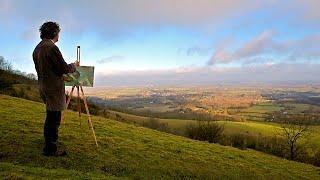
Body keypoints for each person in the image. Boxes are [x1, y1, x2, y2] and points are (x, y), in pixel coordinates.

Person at [32, 21, 79, 156]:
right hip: (52, 89)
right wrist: (74, 65)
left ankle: (51, 142)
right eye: (58, 32)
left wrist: (61, 76)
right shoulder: (51, 48)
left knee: (51, 116)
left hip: (43, 86)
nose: (59, 35)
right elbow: (63, 68)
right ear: (53, 33)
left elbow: (50, 70)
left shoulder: (37, 48)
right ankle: (50, 149)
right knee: (53, 118)